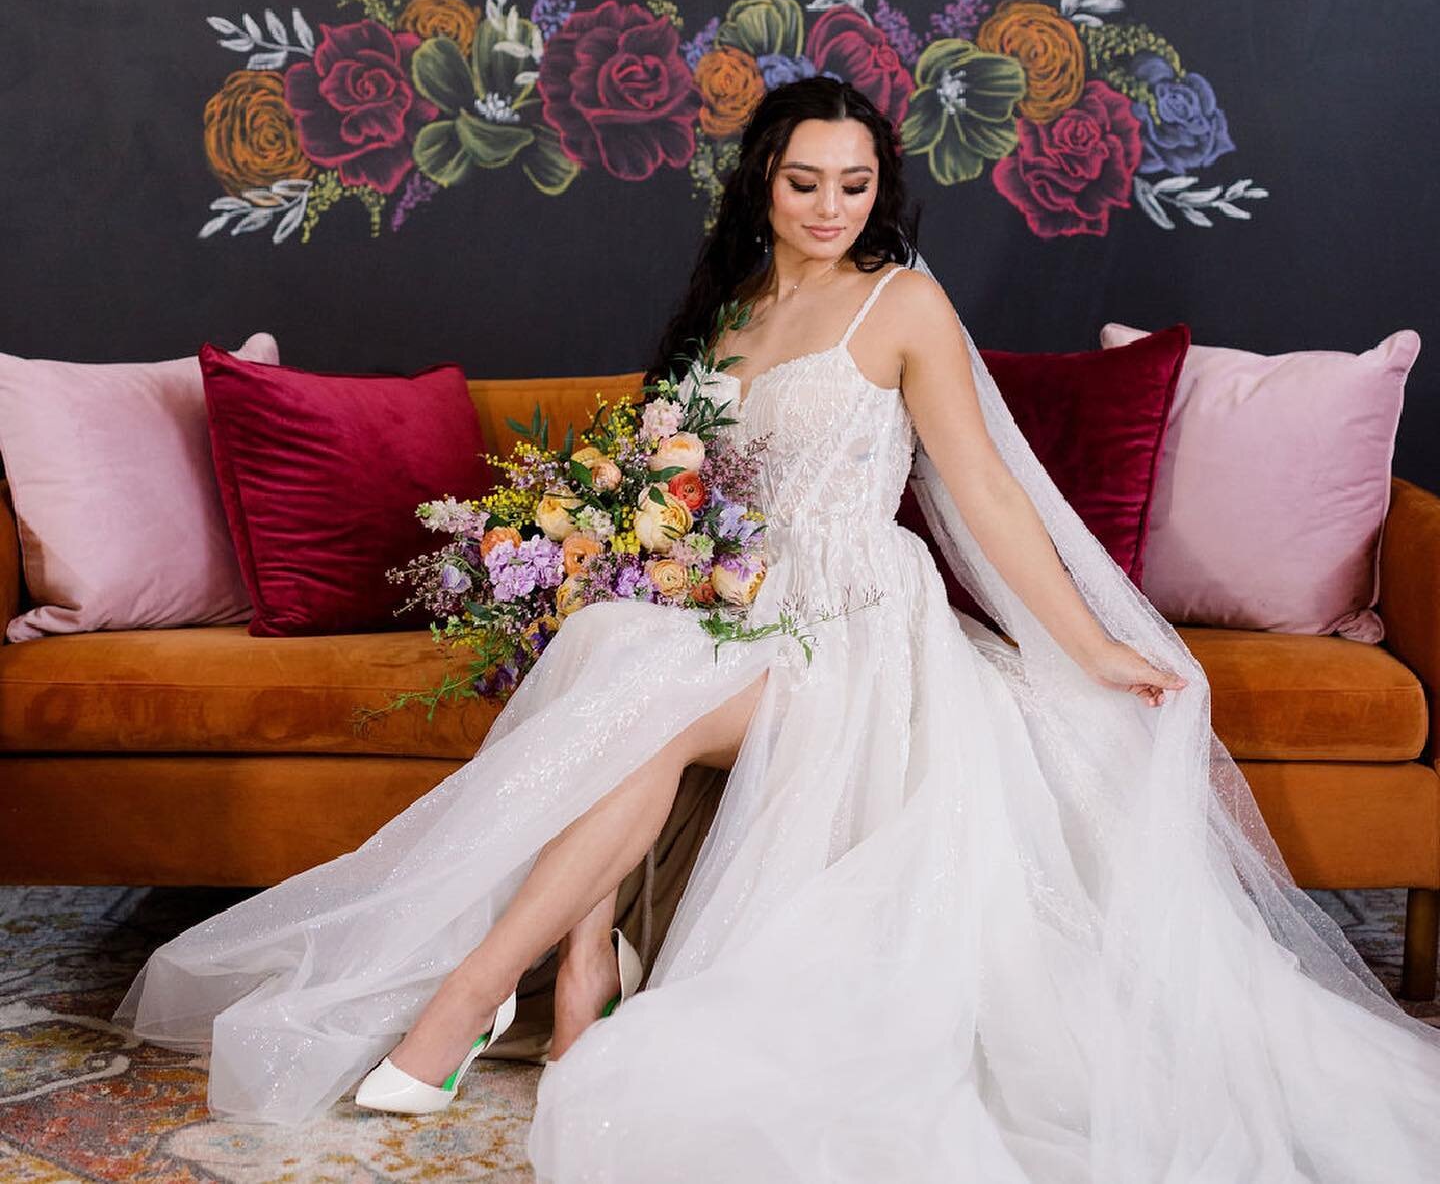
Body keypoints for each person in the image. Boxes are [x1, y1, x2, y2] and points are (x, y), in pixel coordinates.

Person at [115, 77, 1440, 1180]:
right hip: (739, 615)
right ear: (761, 182)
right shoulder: (728, 314)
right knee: (613, 660)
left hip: (860, 628)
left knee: (638, 687)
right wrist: (624, 540)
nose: (829, 206)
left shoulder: (902, 305)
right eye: (805, 181)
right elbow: (668, 486)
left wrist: (1088, 645)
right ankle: (572, 972)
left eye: (855, 183)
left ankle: (477, 993)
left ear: (883, 189)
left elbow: (978, 489)